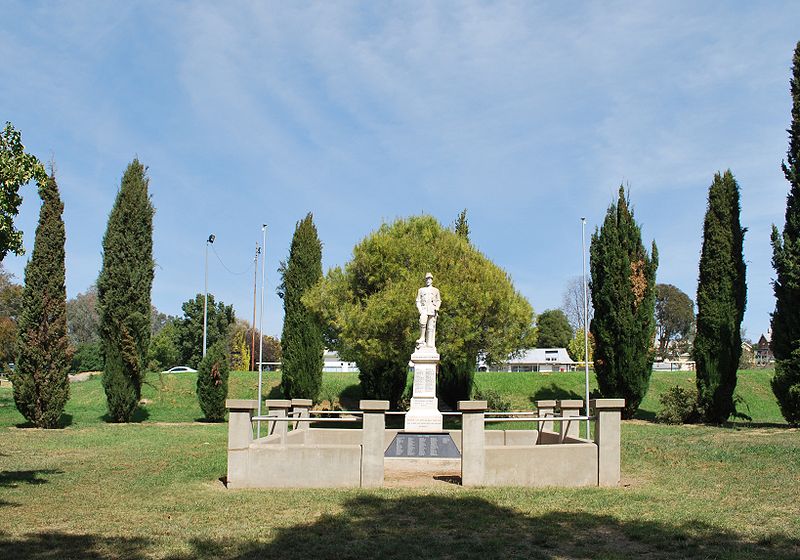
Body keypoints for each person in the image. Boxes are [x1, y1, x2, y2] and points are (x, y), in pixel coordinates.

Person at [416, 272, 441, 349]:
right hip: (424, 309)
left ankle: (429, 343)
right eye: (427, 279)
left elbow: (439, 300)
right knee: (422, 322)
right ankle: (422, 338)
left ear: (432, 280)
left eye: (429, 279)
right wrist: (420, 309)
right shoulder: (421, 290)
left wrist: (437, 307)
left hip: (432, 310)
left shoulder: (436, 290)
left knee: (430, 327)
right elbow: (418, 300)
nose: (428, 280)